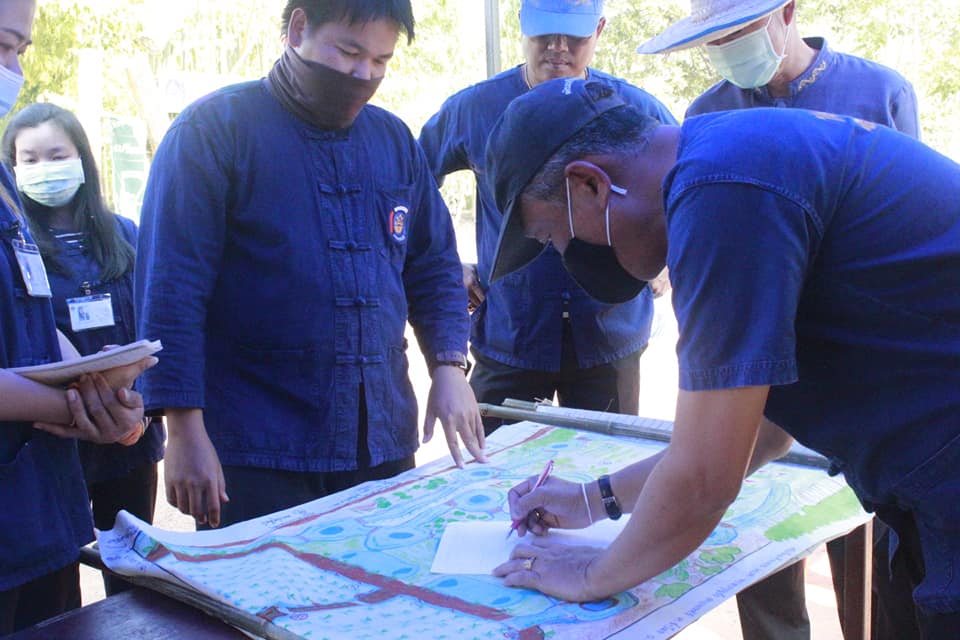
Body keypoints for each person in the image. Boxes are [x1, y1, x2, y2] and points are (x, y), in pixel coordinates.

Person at [483, 78, 959, 640]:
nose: (566, 257)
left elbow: (706, 477)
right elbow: (764, 430)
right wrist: (595, 499)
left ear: (588, 183)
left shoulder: (722, 195)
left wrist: (591, 572)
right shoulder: (730, 159)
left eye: (552, 236)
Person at [135, 0, 486, 532]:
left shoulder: (394, 142)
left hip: (379, 440)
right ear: (299, 27)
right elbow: (172, 289)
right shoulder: (211, 134)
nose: (362, 74)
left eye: (380, 61)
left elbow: (433, 265)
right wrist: (184, 430)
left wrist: (448, 367)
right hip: (257, 449)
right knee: (259, 608)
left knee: (380, 596)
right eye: (349, 52)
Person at [638, 2, 921, 637]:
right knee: (757, 532)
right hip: (759, 367)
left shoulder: (879, 91)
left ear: (786, 13)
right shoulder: (707, 114)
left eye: (738, 32)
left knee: (875, 557)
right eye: (716, 41)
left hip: (860, 372)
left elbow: (904, 238)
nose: (729, 50)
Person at [419, 0, 676, 434]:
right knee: (490, 474)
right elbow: (411, 184)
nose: (558, 48)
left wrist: (667, 257)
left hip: (608, 334)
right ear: (521, 24)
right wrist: (447, 266)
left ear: (599, 29)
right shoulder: (473, 109)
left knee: (600, 472)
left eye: (573, 36)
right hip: (511, 331)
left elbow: (681, 189)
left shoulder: (634, 110)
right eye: (544, 34)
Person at [0, 1, 155, 633]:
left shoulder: (13, 202)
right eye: (1, 45)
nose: (10, 71)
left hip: (38, 527)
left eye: (18, 52)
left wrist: (103, 393)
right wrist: (72, 408)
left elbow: (30, 319)